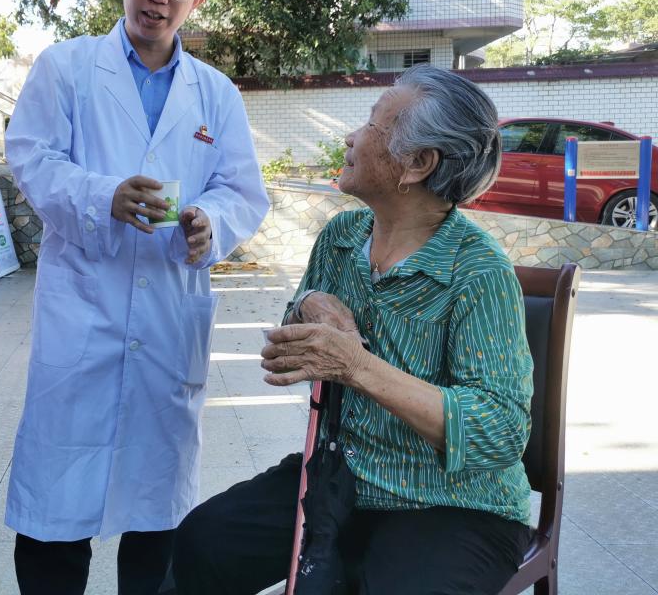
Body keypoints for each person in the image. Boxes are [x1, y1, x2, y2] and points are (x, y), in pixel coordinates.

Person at [173, 65, 536, 595]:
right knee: (203, 541)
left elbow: (500, 432)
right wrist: (307, 308)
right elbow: (287, 347)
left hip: (452, 503)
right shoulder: (342, 237)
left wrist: (357, 366)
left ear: (418, 163)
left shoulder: (478, 272)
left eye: (371, 123)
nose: (351, 136)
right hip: (343, 475)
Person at [3, 0, 269, 595]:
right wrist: (103, 196)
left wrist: (211, 222)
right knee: (55, 518)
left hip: (167, 323)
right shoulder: (66, 68)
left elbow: (244, 190)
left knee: (156, 524)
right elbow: (30, 156)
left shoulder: (216, 93)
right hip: (82, 318)